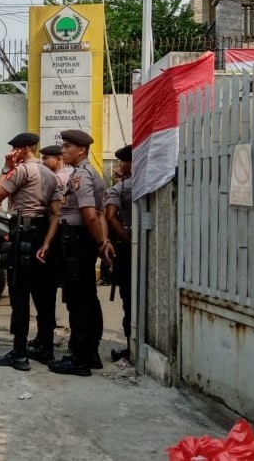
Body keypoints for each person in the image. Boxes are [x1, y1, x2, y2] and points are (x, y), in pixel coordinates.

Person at [0, 132, 61, 371]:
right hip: (43, 237)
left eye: (14, 149)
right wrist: (48, 243)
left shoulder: (20, 171)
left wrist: (5, 168)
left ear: (23, 148)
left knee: (19, 295)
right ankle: (45, 348)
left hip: (23, 235)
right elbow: (56, 213)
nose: (12, 153)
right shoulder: (51, 174)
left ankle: (19, 353)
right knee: (44, 295)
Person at [48, 129, 114, 377]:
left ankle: (80, 359)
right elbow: (98, 214)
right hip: (82, 241)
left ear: (81, 150)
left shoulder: (82, 177)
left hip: (77, 242)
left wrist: (100, 243)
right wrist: (103, 240)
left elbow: (89, 214)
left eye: (67, 146)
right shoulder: (87, 174)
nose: (63, 151)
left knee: (79, 302)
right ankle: (90, 353)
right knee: (87, 298)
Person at [105, 144, 133, 362]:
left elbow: (110, 215)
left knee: (127, 299)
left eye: (122, 162)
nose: (119, 166)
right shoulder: (150, 184)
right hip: (146, 248)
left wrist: (126, 238)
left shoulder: (121, 188)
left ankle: (130, 347)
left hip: (126, 250)